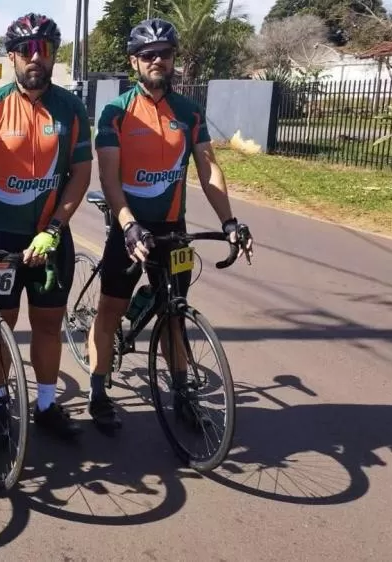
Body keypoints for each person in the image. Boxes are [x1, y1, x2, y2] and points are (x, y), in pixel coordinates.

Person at [87, 18, 254, 431]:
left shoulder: (188, 112)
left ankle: (181, 393)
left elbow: (209, 170)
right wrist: (126, 224)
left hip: (172, 228)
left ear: (173, 59)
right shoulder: (116, 112)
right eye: (148, 55)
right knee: (110, 308)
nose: (157, 60)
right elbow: (109, 177)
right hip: (129, 227)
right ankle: (97, 390)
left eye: (164, 53)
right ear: (134, 62)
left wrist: (229, 221)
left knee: (174, 313)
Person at [0, 13, 93, 441]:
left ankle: (46, 404)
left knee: (49, 325)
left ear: (54, 54)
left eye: (45, 48)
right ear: (11, 56)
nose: (36, 57)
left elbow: (80, 175)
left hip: (51, 239)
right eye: (27, 50)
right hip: (0, 238)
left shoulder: (71, 108)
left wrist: (55, 227)